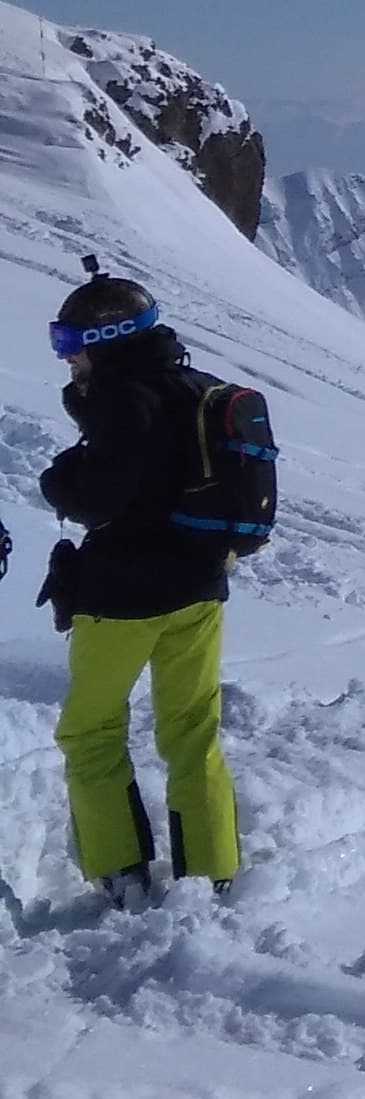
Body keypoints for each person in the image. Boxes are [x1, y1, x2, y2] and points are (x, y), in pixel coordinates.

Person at [35, 271, 273, 902]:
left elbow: (100, 496)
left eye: (70, 340)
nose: (66, 356)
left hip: (121, 599)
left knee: (90, 732)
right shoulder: (192, 388)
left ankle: (120, 870)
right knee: (193, 731)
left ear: (108, 337)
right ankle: (211, 869)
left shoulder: (124, 399)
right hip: (200, 589)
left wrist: (59, 479)